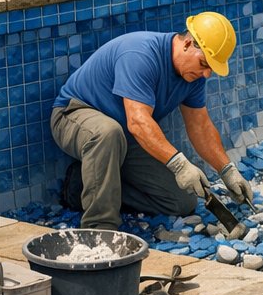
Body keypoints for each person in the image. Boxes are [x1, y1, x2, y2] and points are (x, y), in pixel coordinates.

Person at [51, 12, 252, 231]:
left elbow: (200, 126)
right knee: (108, 133)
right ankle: (101, 229)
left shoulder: (194, 75)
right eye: (204, 63)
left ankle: (78, 186)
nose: (206, 74)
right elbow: (138, 122)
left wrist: (227, 170)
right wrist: (179, 165)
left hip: (126, 135)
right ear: (187, 43)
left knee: (182, 201)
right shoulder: (140, 54)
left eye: (210, 68)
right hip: (74, 115)